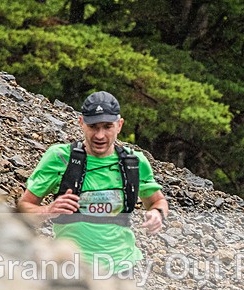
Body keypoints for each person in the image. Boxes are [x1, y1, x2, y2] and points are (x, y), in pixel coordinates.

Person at [18, 91, 168, 276]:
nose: (100, 135)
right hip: (70, 268)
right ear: (81, 123)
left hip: (121, 268)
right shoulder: (60, 157)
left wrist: (157, 213)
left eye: (107, 127)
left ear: (119, 125)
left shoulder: (134, 162)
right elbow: (23, 208)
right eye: (93, 127)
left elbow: (157, 201)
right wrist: (48, 210)